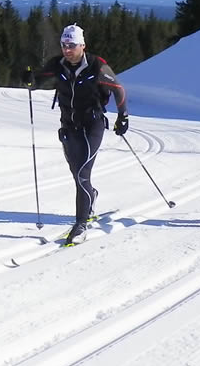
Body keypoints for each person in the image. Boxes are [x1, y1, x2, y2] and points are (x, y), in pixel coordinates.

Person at [23, 24, 129, 244]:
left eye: (71, 45)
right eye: (64, 45)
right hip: (68, 127)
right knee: (77, 175)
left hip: (93, 126)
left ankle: (81, 224)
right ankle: (92, 196)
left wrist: (123, 116)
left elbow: (118, 89)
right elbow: (37, 80)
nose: (67, 49)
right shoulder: (58, 64)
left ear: (82, 45)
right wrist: (29, 78)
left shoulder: (97, 66)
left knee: (81, 174)